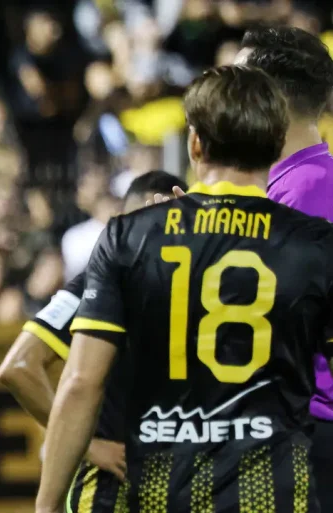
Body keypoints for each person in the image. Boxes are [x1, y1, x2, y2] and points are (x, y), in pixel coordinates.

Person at [36, 65, 333, 513]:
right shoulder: (316, 245)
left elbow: (80, 382)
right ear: (276, 144)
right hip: (269, 494)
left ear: (194, 143)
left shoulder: (129, 236)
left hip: (155, 493)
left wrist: (46, 505)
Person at [159, 27, 333, 508]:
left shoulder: (305, 191)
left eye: (237, 79)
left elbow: (255, 318)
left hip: (305, 431)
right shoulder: (293, 184)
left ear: (267, 96)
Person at [0, 170, 188, 513]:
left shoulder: (107, 278)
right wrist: (90, 446)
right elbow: (17, 368)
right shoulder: (103, 282)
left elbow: (19, 367)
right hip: (152, 484)